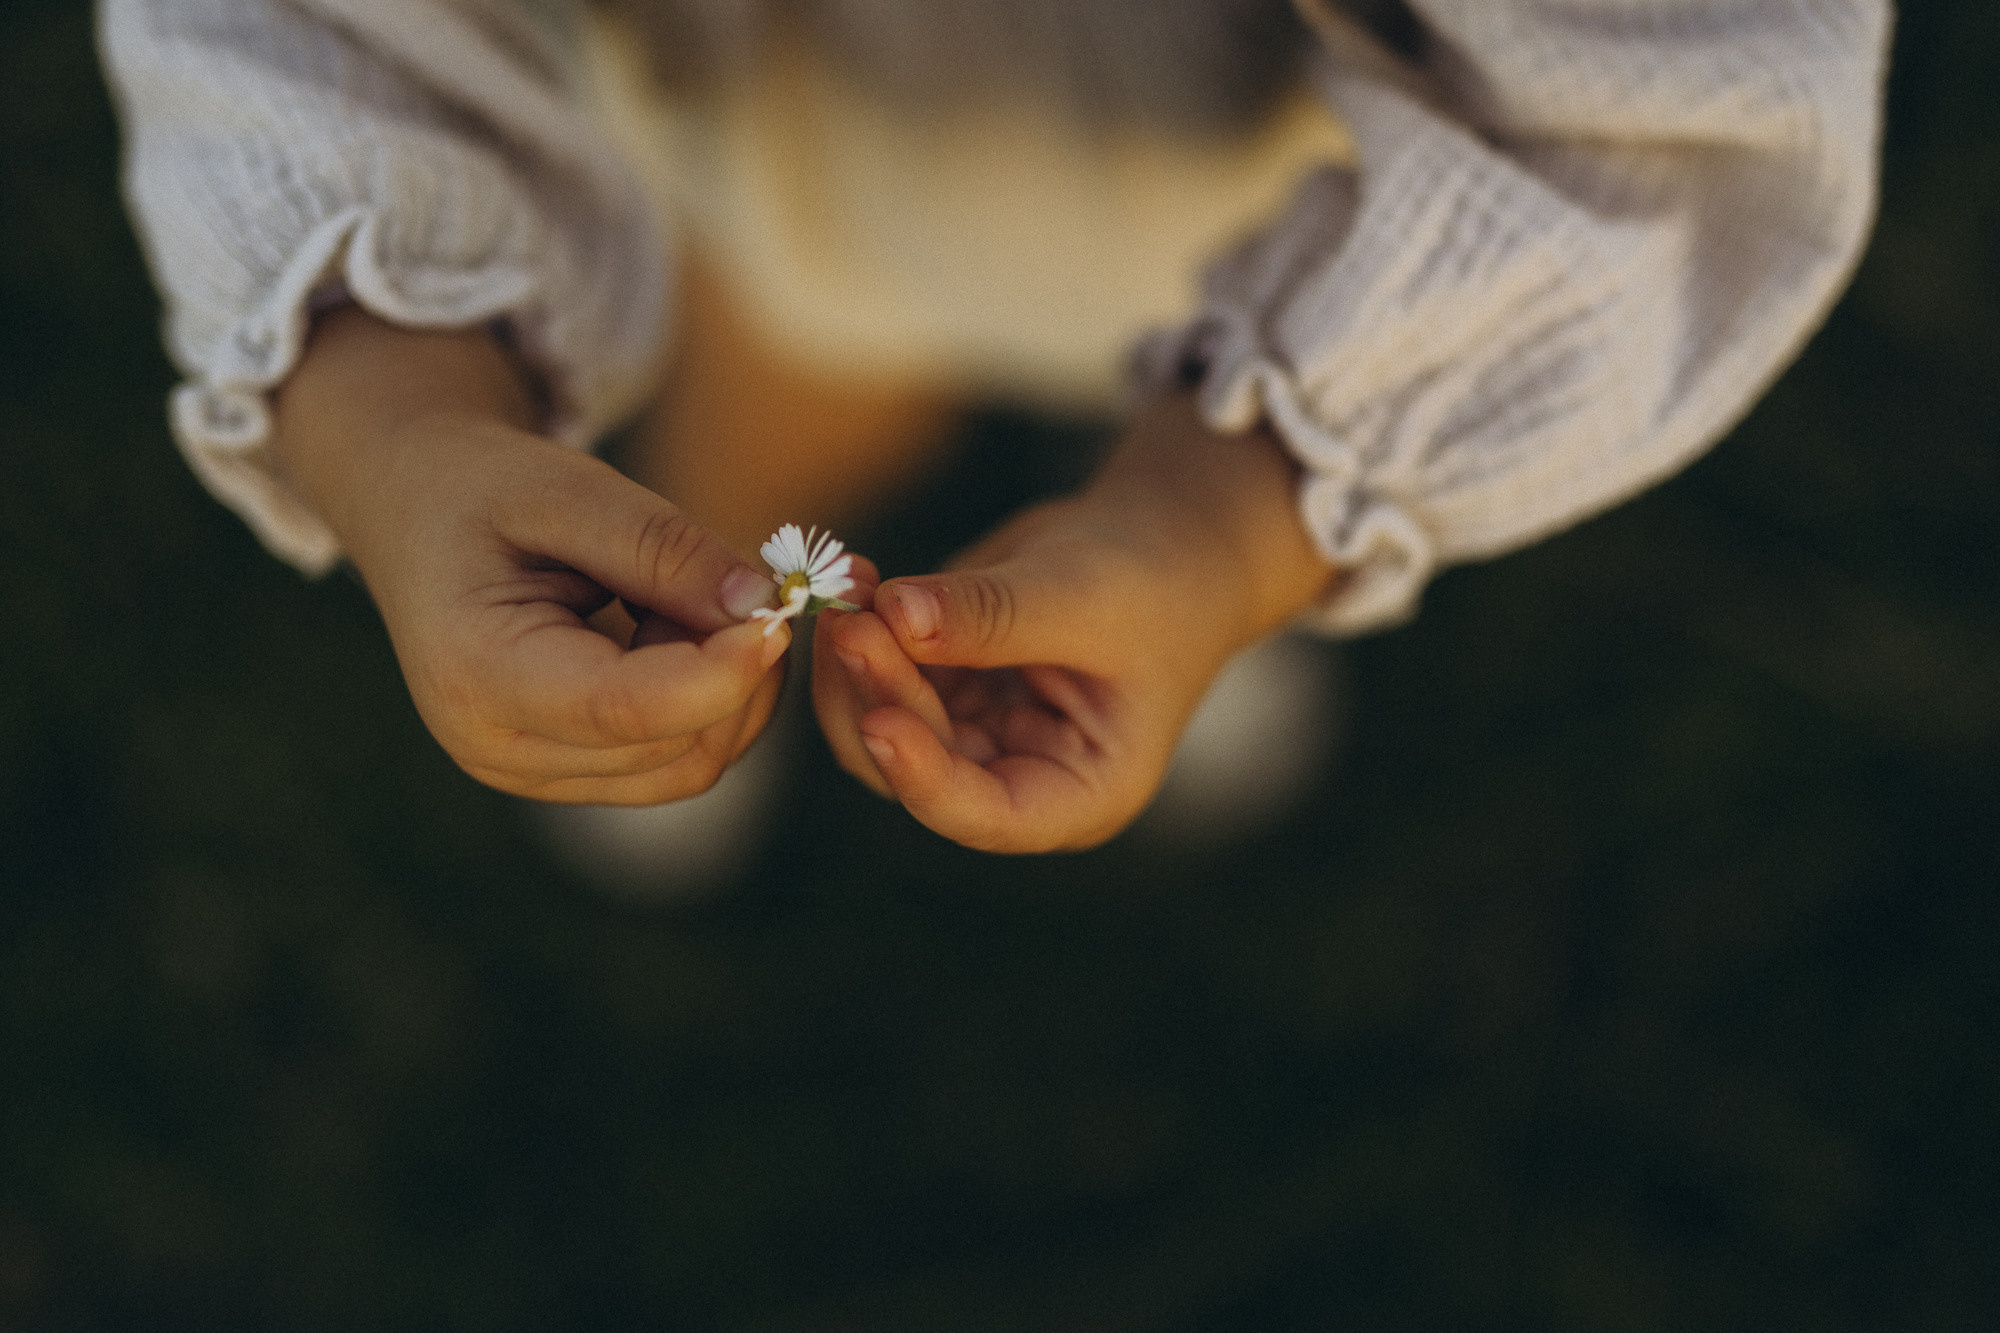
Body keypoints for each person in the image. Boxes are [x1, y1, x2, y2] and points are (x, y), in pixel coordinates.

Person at [99, 0, 1891, 853]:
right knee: (775, 442)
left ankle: (1189, 559)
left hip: (1258, 171)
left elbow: (1652, 97)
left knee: (1156, 431)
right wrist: (403, 424)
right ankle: (668, 637)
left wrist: (1236, 510)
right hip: (787, 157)